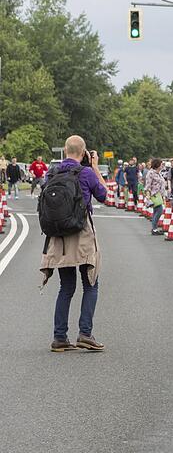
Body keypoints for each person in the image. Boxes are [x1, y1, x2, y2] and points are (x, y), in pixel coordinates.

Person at [41, 136, 108, 352]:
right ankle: (85, 334)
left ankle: (59, 337)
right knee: (91, 283)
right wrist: (95, 166)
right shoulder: (86, 172)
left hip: (59, 235)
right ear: (84, 152)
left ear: (65, 150)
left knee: (66, 287)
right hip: (82, 233)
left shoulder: (52, 173)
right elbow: (104, 195)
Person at [144, 159, 168, 234]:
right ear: (157, 165)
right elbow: (148, 185)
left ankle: (154, 228)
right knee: (159, 211)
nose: (162, 166)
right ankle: (154, 229)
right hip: (154, 194)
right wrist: (148, 196)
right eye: (161, 164)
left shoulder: (158, 173)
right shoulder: (150, 173)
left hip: (159, 194)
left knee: (156, 211)